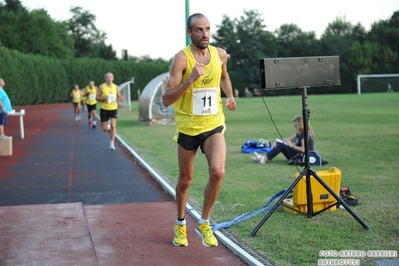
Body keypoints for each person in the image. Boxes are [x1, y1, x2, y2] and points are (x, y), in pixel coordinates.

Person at [162, 13, 237, 248]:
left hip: (213, 124)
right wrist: (190, 79)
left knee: (218, 172)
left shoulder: (220, 54)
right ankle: (180, 223)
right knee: (186, 181)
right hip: (188, 128)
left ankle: (204, 222)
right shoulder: (181, 60)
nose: (204, 34)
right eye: (199, 30)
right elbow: (166, 99)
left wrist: (230, 96)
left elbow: (224, 76)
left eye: (207, 29)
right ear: (189, 33)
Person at [96, 72, 124, 150]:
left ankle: (112, 143)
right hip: (104, 109)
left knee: (113, 125)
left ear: (113, 78)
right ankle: (108, 127)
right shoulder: (102, 87)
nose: (109, 78)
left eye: (110, 77)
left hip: (113, 108)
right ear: (105, 79)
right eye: (107, 77)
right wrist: (103, 99)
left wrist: (121, 98)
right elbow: (96, 97)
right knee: (105, 129)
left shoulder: (116, 87)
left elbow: (118, 96)